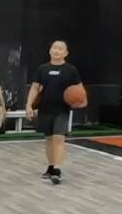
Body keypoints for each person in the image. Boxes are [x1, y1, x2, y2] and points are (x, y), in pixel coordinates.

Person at [26, 38, 83, 184]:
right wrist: (28, 105)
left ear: (66, 53)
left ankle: (57, 169)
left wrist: (82, 101)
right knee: (49, 140)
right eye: (54, 48)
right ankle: (51, 166)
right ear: (50, 50)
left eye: (60, 48)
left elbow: (79, 89)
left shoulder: (71, 70)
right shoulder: (42, 69)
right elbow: (34, 88)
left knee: (58, 138)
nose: (57, 50)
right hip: (45, 109)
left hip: (62, 109)